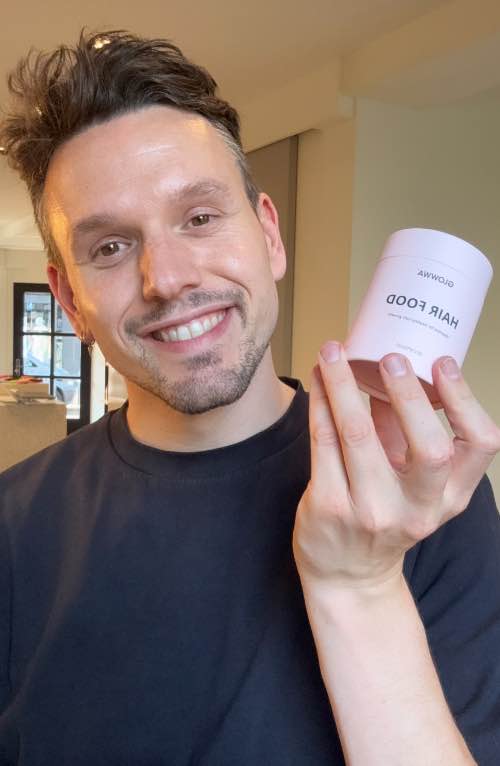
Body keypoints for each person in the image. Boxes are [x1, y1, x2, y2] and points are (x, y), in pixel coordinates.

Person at [0, 30, 499, 766]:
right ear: (70, 302)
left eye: (200, 218)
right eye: (110, 247)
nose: (167, 277)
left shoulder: (415, 493)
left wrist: (360, 584)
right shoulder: (13, 525)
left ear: (269, 236)